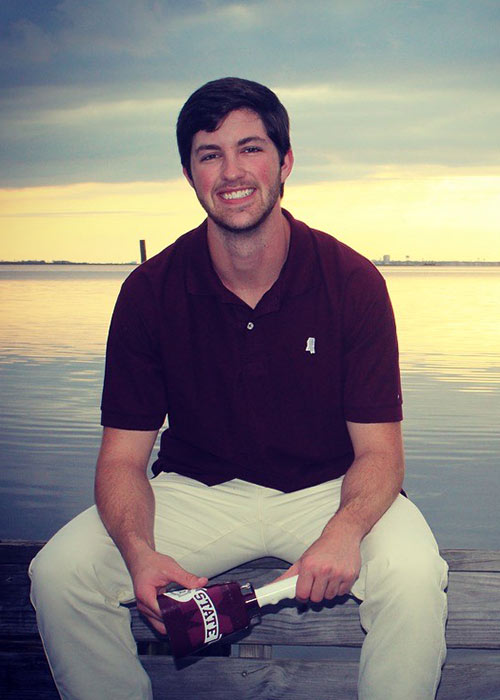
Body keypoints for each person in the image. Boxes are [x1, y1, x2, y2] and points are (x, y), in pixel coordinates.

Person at [29, 77, 448, 699]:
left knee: (415, 575)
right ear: (189, 173)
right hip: (197, 491)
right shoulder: (150, 292)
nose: (232, 171)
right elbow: (122, 459)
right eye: (209, 153)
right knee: (61, 573)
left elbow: (381, 454)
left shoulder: (352, 281)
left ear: (285, 162)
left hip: (329, 490)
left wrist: (343, 532)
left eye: (250, 148)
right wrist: (140, 553)